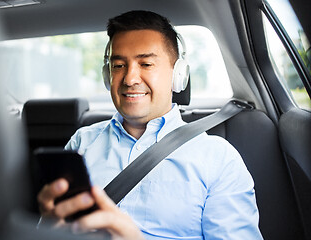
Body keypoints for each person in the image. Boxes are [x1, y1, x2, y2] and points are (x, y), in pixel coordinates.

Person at [37, 10, 263, 240]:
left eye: (145, 64)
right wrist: (48, 228)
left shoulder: (218, 158)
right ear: (108, 75)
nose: (130, 79)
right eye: (118, 66)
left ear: (178, 76)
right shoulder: (81, 142)